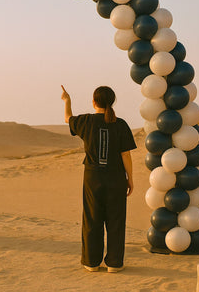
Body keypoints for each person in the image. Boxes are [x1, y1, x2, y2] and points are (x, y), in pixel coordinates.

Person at [61, 85, 136, 273]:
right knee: (116, 220)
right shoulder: (120, 124)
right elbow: (125, 155)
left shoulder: (86, 121)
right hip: (116, 177)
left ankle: (91, 262)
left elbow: (67, 119)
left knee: (92, 219)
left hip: (93, 178)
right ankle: (114, 263)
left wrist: (67, 100)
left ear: (94, 102)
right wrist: (130, 178)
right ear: (112, 102)